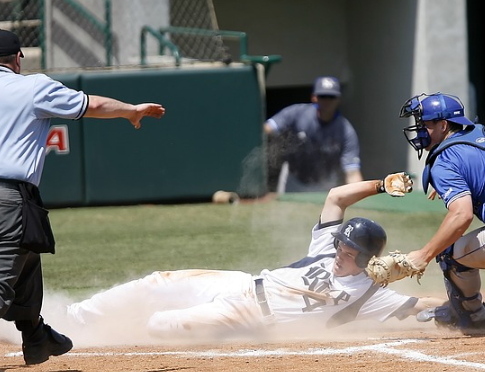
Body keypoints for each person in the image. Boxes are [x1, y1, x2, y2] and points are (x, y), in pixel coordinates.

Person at [0, 29, 165, 372]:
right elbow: (91, 104)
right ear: (18, 58)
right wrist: (131, 110)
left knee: (27, 254)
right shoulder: (33, 86)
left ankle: (36, 336)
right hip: (3, 203)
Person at [61, 173, 443, 342]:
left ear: (366, 259)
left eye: (349, 253)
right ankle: (72, 319)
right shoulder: (327, 249)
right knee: (156, 282)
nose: (339, 255)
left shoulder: (371, 295)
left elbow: (423, 304)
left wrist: (468, 304)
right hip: (241, 283)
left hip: (249, 317)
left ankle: (113, 331)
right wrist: (381, 184)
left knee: (161, 325)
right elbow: (335, 197)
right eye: (340, 247)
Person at [399, 92, 485, 335]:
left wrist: (424, 255)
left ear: (443, 125)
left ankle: (472, 316)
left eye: (424, 123)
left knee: (449, 252)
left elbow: (461, 215)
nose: (419, 129)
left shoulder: (445, 159)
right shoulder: (480, 134)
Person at [264, 76, 363, 194]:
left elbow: (352, 172)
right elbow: (267, 128)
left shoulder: (346, 131)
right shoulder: (297, 113)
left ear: (339, 99)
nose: (327, 101)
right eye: (323, 96)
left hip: (325, 184)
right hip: (294, 180)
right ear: (314, 97)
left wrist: (359, 197)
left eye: (331, 97)